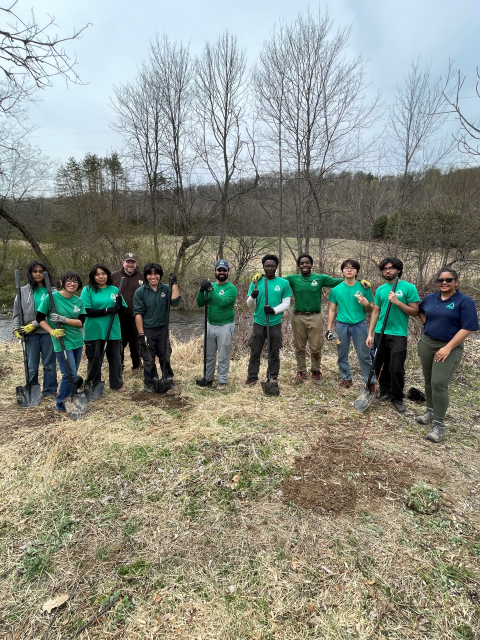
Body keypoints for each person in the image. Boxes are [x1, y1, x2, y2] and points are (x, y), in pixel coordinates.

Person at [416, 268, 479, 443]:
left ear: (456, 282)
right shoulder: (430, 298)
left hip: (449, 347)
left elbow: (467, 328)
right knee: (428, 380)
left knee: (439, 383)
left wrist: (448, 347)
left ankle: (438, 424)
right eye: (441, 280)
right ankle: (429, 411)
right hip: (427, 343)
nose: (444, 283)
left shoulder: (464, 302)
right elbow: (419, 310)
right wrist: (427, 324)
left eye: (448, 280)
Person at [366, 257, 420, 413]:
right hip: (380, 332)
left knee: (396, 367)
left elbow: (415, 312)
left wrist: (397, 302)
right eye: (384, 269)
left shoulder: (409, 288)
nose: (387, 271)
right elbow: (375, 311)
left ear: (399, 270)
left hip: (398, 334)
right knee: (379, 364)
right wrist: (370, 333)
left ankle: (397, 397)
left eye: (390, 268)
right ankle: (385, 392)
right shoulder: (381, 289)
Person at [284, 254, 344, 383]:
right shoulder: (292, 279)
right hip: (298, 317)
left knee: (316, 346)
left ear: (311, 264)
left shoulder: (320, 278)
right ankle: (301, 372)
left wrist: (359, 280)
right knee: (299, 346)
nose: (304, 265)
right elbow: (275, 281)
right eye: (302, 263)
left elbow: (340, 281)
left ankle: (316, 371)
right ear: (299, 265)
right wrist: (261, 278)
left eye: (307, 263)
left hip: (315, 316)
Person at [36, 271, 86, 413]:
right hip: (61, 340)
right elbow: (40, 318)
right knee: (69, 373)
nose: (72, 283)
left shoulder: (79, 301)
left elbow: (81, 322)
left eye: (75, 281)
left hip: (77, 340)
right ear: (62, 282)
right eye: (69, 280)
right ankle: (60, 403)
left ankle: (72, 396)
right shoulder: (51, 298)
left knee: (73, 372)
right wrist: (52, 331)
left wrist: (63, 319)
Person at [326, 259, 375, 389]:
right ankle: (346, 379)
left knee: (364, 354)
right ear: (342, 270)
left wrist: (365, 303)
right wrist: (329, 329)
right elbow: (331, 310)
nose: (349, 270)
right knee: (342, 353)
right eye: (346, 267)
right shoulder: (336, 290)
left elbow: (371, 309)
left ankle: (370, 381)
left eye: (352, 268)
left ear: (357, 271)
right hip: (341, 325)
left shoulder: (364, 288)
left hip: (360, 324)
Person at [12, 260, 58, 397]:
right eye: (35, 271)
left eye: (41, 271)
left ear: (46, 273)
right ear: (30, 273)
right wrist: (16, 329)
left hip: (48, 332)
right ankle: (32, 389)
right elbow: (16, 314)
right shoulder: (22, 291)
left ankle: (49, 390)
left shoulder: (52, 291)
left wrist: (34, 324)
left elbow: (51, 314)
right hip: (29, 335)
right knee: (31, 366)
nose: (38, 274)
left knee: (49, 364)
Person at [133, 263, 181, 393]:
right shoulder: (140, 292)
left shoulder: (166, 289)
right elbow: (138, 314)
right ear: (146, 276)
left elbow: (176, 302)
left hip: (163, 329)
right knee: (148, 358)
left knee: (165, 355)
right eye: (150, 274)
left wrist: (174, 283)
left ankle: (168, 379)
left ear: (160, 275)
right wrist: (141, 334)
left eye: (156, 274)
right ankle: (150, 382)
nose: (153, 277)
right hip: (148, 329)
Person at [245, 254, 291, 386]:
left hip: (275, 322)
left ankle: (273, 375)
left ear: (276, 267)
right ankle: (252, 377)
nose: (269, 268)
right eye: (267, 266)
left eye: (272, 266)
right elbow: (250, 306)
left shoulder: (283, 283)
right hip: (259, 321)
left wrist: (274, 310)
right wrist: (252, 297)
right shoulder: (256, 282)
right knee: (255, 349)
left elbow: (287, 303)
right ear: (263, 267)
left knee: (274, 349)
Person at [81, 264, 128, 392]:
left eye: (103, 274)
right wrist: (107, 310)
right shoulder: (88, 290)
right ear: (93, 276)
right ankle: (93, 383)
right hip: (94, 330)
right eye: (97, 274)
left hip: (113, 330)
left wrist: (119, 305)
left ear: (108, 275)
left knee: (115, 360)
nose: (101, 277)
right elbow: (86, 310)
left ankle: (116, 384)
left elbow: (122, 310)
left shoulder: (114, 289)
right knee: (95, 359)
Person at [197, 259, 238, 391]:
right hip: (210, 324)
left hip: (226, 325)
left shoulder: (231, 288)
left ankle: (222, 381)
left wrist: (211, 289)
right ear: (215, 271)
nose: (221, 272)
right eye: (219, 270)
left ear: (227, 272)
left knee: (223, 354)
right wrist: (201, 290)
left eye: (224, 270)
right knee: (208, 354)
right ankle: (208, 378)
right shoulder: (211, 286)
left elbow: (221, 302)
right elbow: (199, 303)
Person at [112, 253, 144, 371]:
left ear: (136, 263)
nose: (130, 264)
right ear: (123, 263)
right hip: (119, 316)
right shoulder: (114, 276)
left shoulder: (142, 276)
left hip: (136, 316)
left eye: (133, 262)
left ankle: (137, 365)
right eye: (128, 262)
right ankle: (119, 365)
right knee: (119, 342)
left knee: (135, 343)